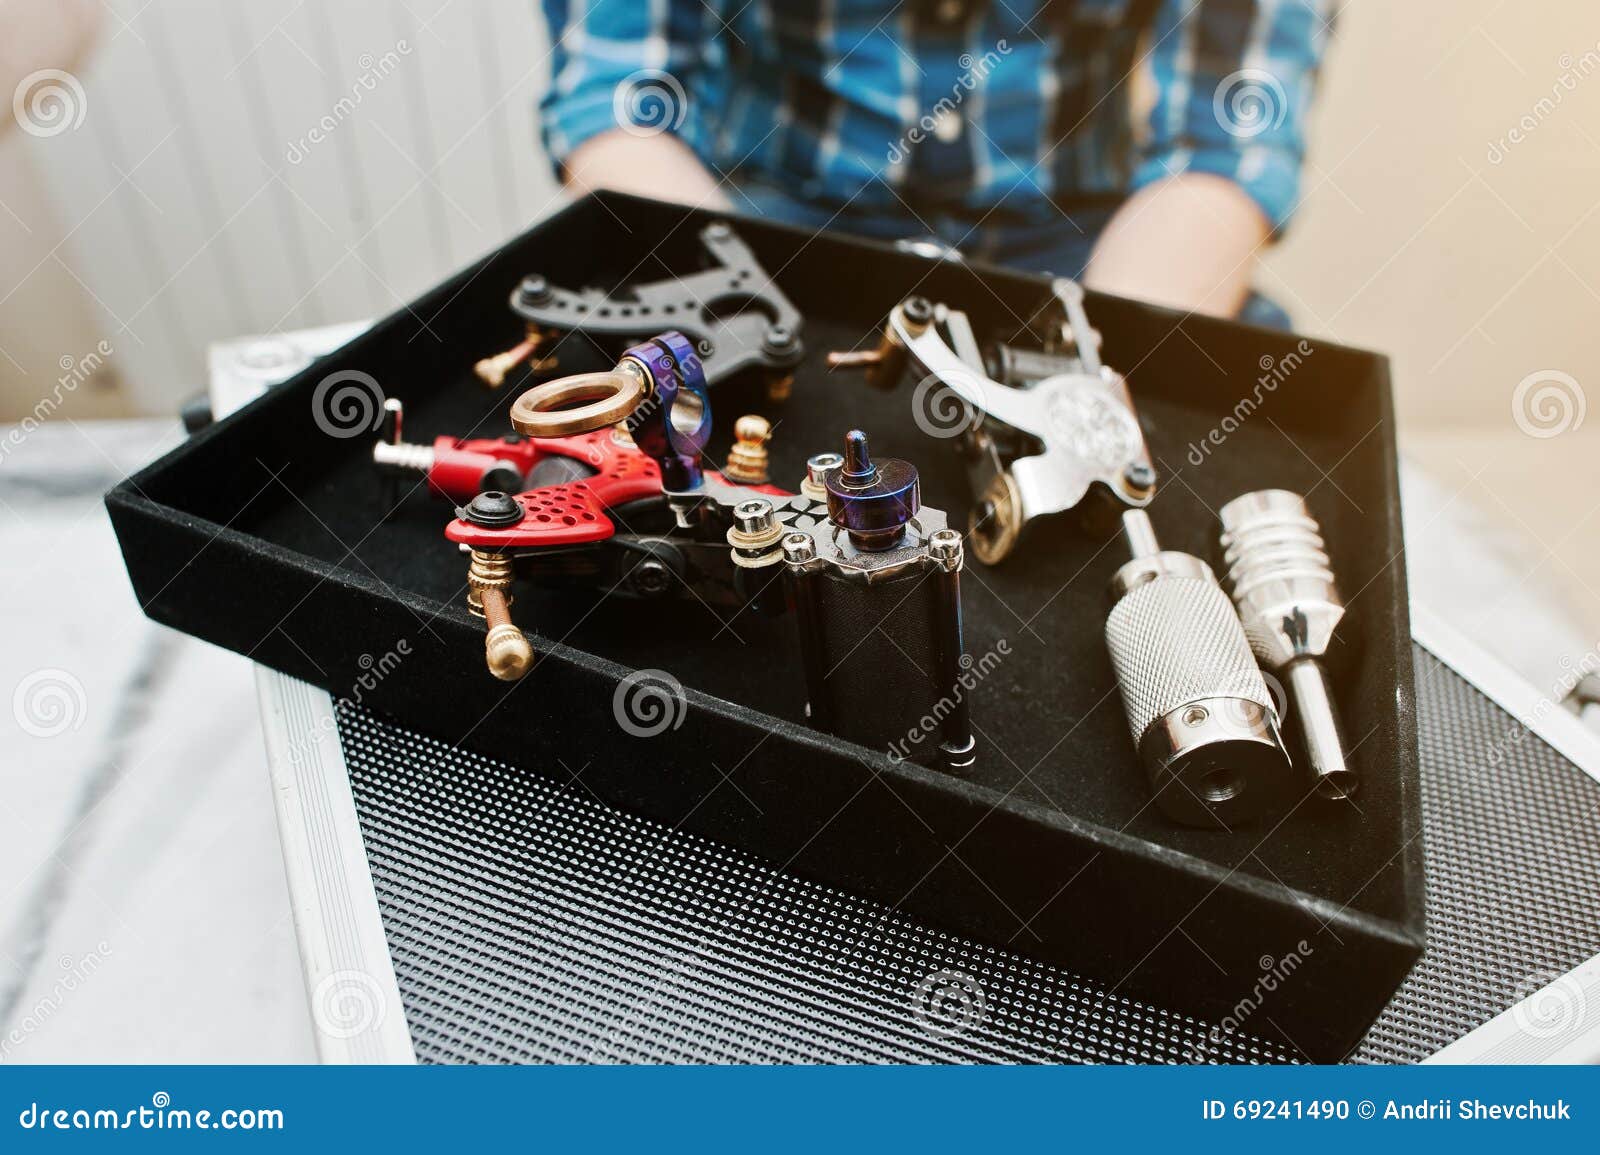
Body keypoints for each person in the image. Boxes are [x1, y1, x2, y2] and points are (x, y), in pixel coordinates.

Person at [539, 1, 1333, 328]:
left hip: (1091, 241)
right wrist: (747, 336)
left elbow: (1225, 145)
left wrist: (1100, 376)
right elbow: (619, 105)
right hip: (764, 222)